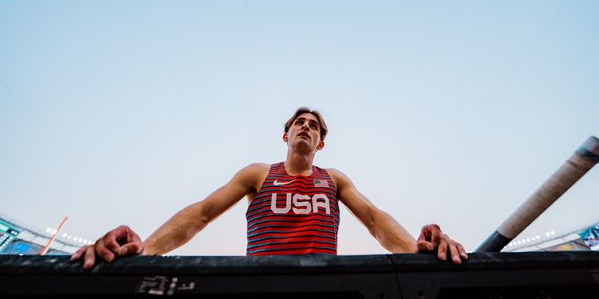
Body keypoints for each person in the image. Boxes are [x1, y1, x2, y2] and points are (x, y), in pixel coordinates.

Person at [72, 107, 468, 268]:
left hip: (323, 286)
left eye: (314, 125)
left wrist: (418, 253)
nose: (306, 126)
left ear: (320, 143)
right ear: (286, 135)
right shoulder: (259, 174)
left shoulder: (334, 180)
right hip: (261, 283)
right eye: (300, 121)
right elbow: (203, 212)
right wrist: (148, 249)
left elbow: (375, 220)